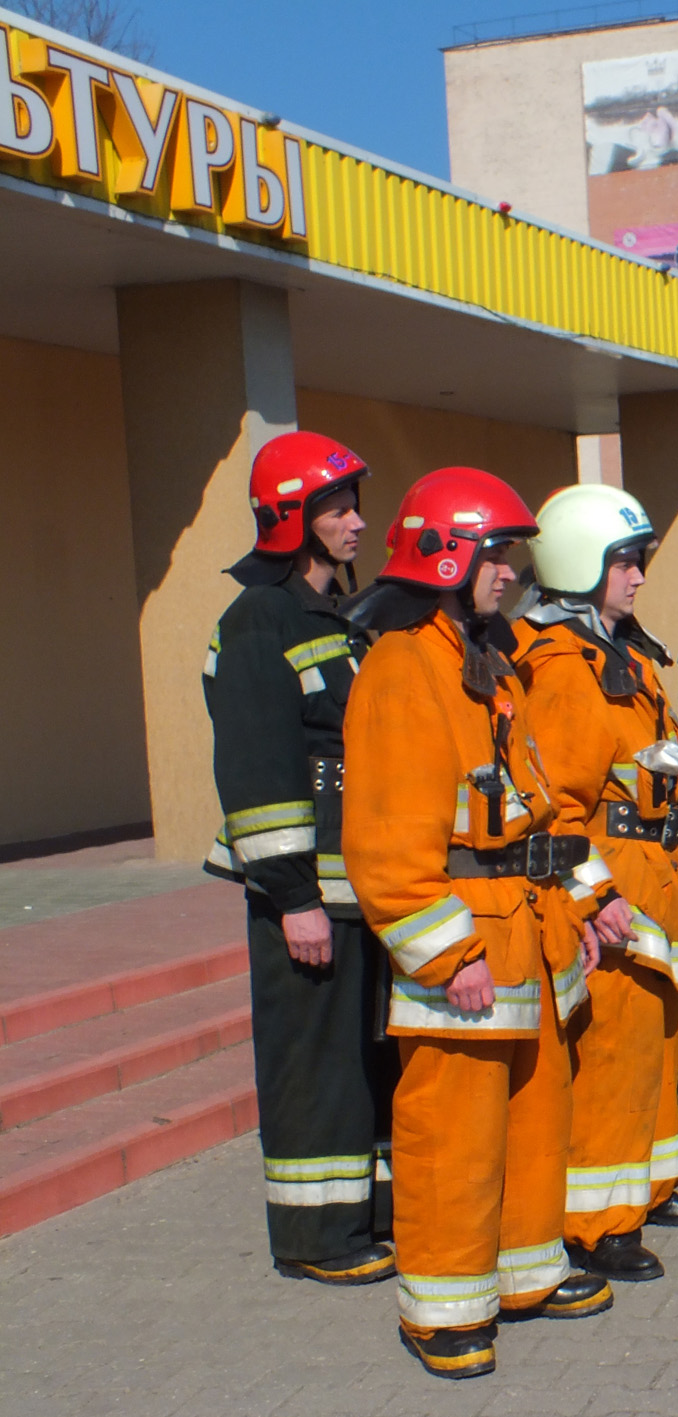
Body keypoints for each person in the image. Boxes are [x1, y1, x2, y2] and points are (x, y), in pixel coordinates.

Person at [342, 468, 611, 1380]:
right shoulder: (401, 664)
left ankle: (525, 1272)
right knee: (453, 1134)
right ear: (447, 554)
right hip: (467, 940)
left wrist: (576, 903)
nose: (511, 571)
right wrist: (444, 950)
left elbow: (536, 803)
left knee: (536, 1120)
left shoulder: (487, 659)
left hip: (523, 927)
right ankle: (444, 1306)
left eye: (513, 554)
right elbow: (383, 843)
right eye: (497, 553)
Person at [514, 484, 678, 1288]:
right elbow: (561, 808)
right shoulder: (563, 666)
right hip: (615, 881)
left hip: (655, 870)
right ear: (580, 566)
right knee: (611, 1056)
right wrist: (593, 899)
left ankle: (648, 1184)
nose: (637, 576)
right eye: (625, 562)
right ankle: (599, 1221)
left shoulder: (615, 646)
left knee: (659, 1041)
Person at [203, 431, 396, 1286]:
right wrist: (291, 897)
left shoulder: (337, 619)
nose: (358, 522)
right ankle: (316, 1237)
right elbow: (256, 770)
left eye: (356, 504)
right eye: (339, 509)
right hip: (308, 892)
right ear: (292, 520)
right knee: (312, 1061)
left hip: (360, 885)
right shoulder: (257, 619)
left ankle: (368, 1214)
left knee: (362, 1057)